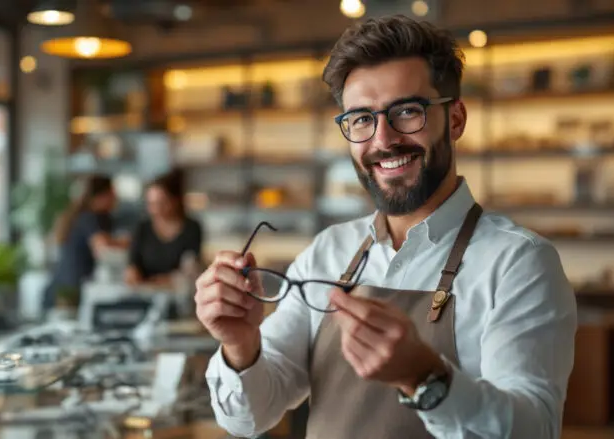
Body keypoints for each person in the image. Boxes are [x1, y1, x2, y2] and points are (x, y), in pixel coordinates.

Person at [195, 15, 577, 439]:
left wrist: (425, 377)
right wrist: (240, 345)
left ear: (455, 119)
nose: (382, 140)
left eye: (407, 111)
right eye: (361, 119)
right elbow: (249, 418)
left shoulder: (517, 263)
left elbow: (535, 429)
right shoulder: (330, 251)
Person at [43, 175, 126, 309]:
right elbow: (102, 248)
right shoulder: (90, 218)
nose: (116, 199)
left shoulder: (79, 215)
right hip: (70, 293)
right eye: (112, 194)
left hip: (61, 288)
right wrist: (131, 243)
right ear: (101, 195)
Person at [124, 169, 203, 288]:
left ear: (175, 200)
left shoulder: (191, 228)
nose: (155, 209)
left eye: (161, 203)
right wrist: (132, 273)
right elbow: (133, 262)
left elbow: (191, 267)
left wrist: (169, 280)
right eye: (151, 204)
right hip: (145, 293)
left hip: (178, 295)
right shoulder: (142, 228)